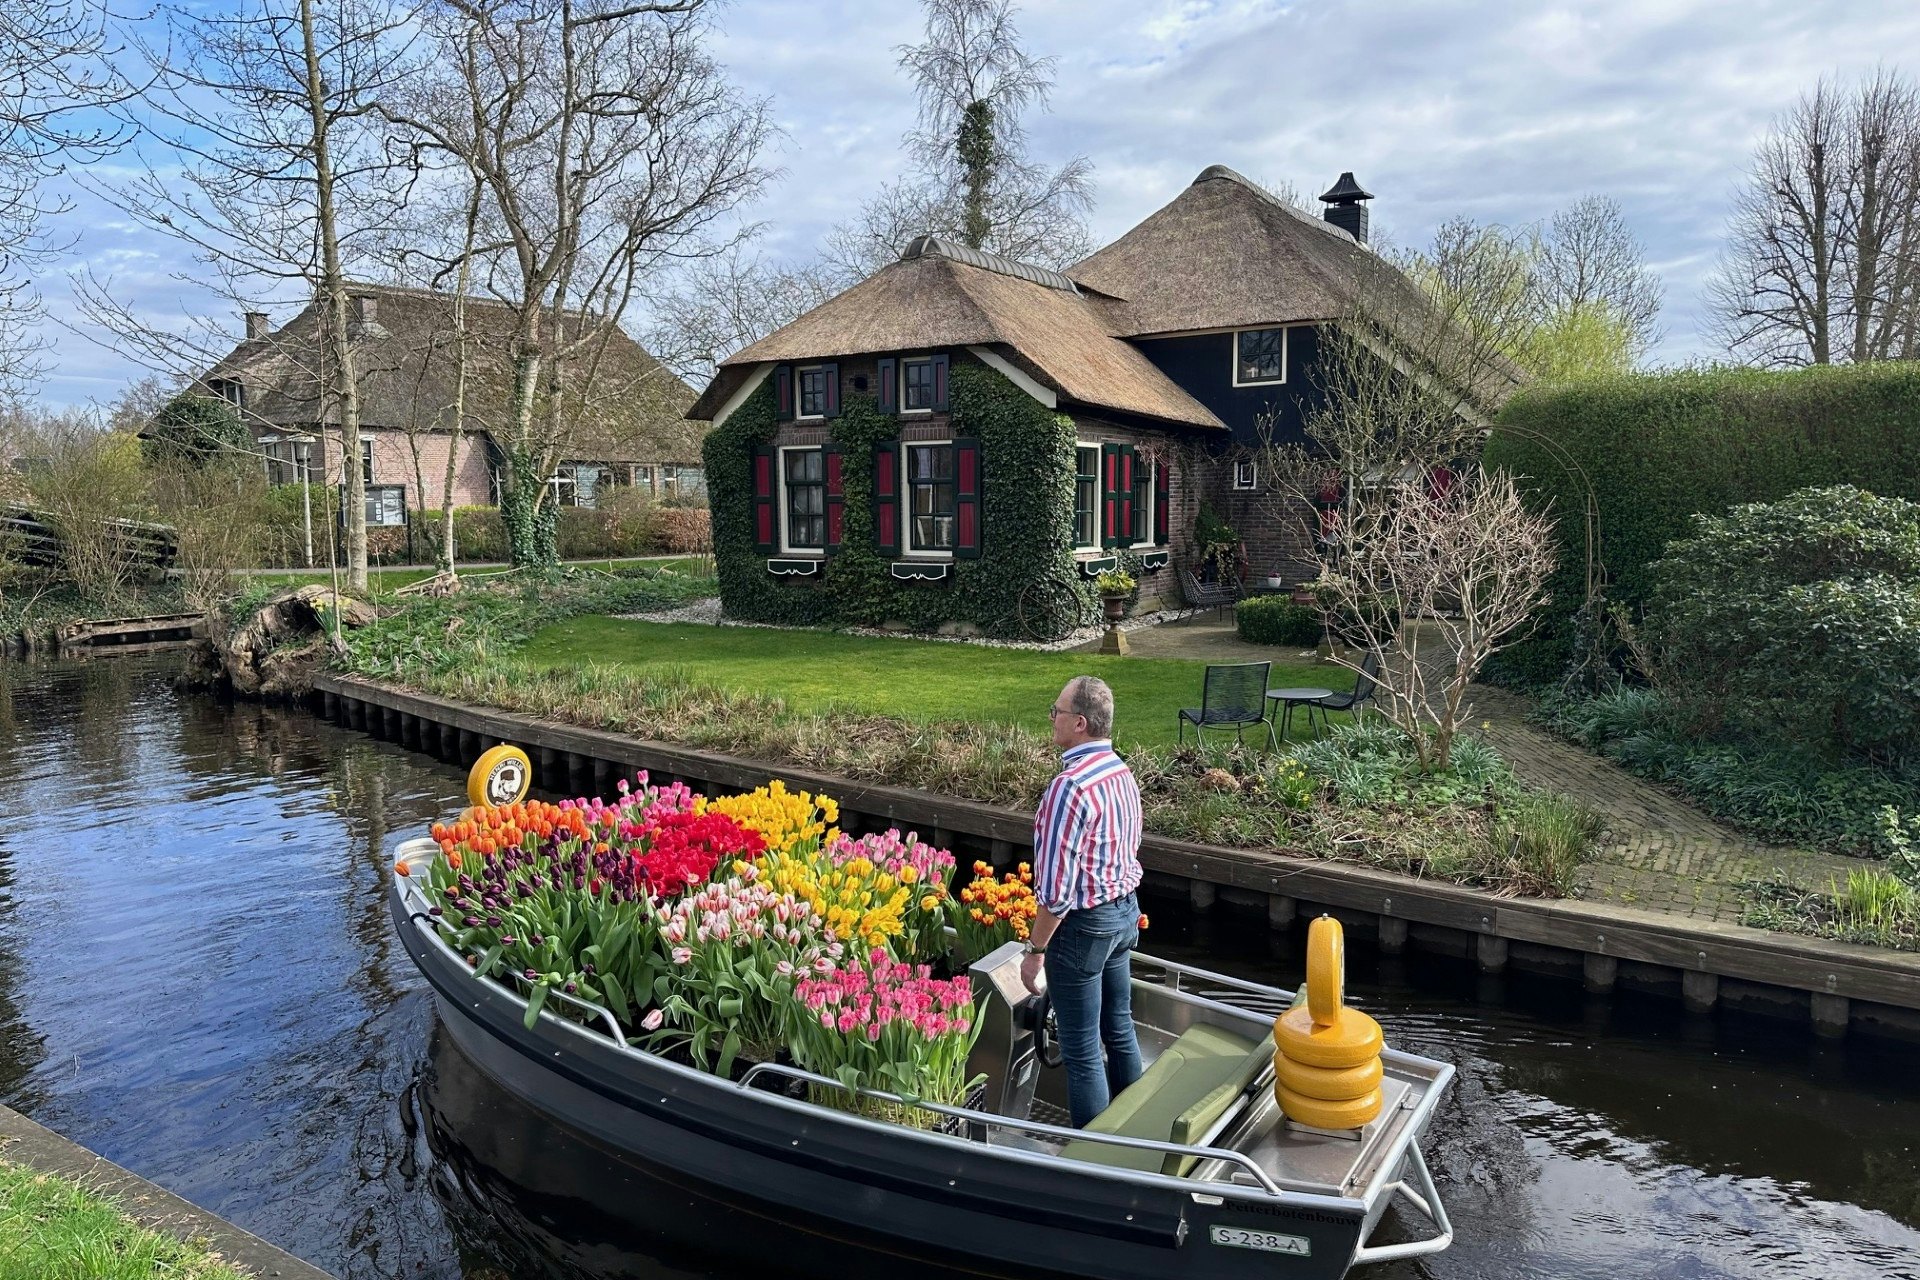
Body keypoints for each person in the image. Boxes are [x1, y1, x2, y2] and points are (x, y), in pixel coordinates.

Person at [1020, 675, 1145, 1128]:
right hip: (1123, 914)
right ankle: (1138, 1131)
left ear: (1078, 723)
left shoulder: (1068, 787)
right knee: (1120, 1028)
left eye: (1054, 711)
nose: (1050, 719)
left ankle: (1094, 1156)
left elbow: (1057, 890)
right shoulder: (1120, 771)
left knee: (1081, 1047)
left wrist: (1035, 953)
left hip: (1083, 928)